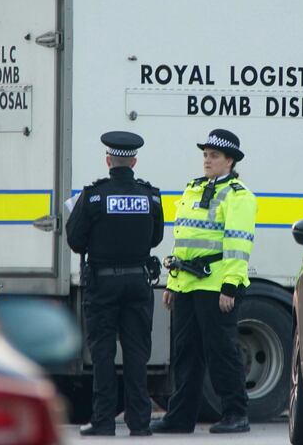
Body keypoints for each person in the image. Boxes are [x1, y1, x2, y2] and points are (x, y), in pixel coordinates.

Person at [150, 129, 257, 435]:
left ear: (230, 161)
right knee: (185, 353)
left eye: (215, 156)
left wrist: (231, 286)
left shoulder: (239, 196)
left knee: (222, 352)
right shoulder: (193, 189)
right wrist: (172, 282)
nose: (207, 161)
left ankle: (236, 413)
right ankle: (181, 417)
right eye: (206, 155)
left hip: (216, 286)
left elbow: (239, 244)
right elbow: (183, 240)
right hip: (187, 284)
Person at [65, 131, 164, 437]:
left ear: (108, 160)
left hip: (102, 285)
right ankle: (140, 423)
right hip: (138, 282)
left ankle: (104, 421)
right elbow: (156, 238)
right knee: (137, 354)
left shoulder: (93, 195)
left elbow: (75, 240)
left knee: (103, 354)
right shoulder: (150, 196)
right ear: (134, 160)